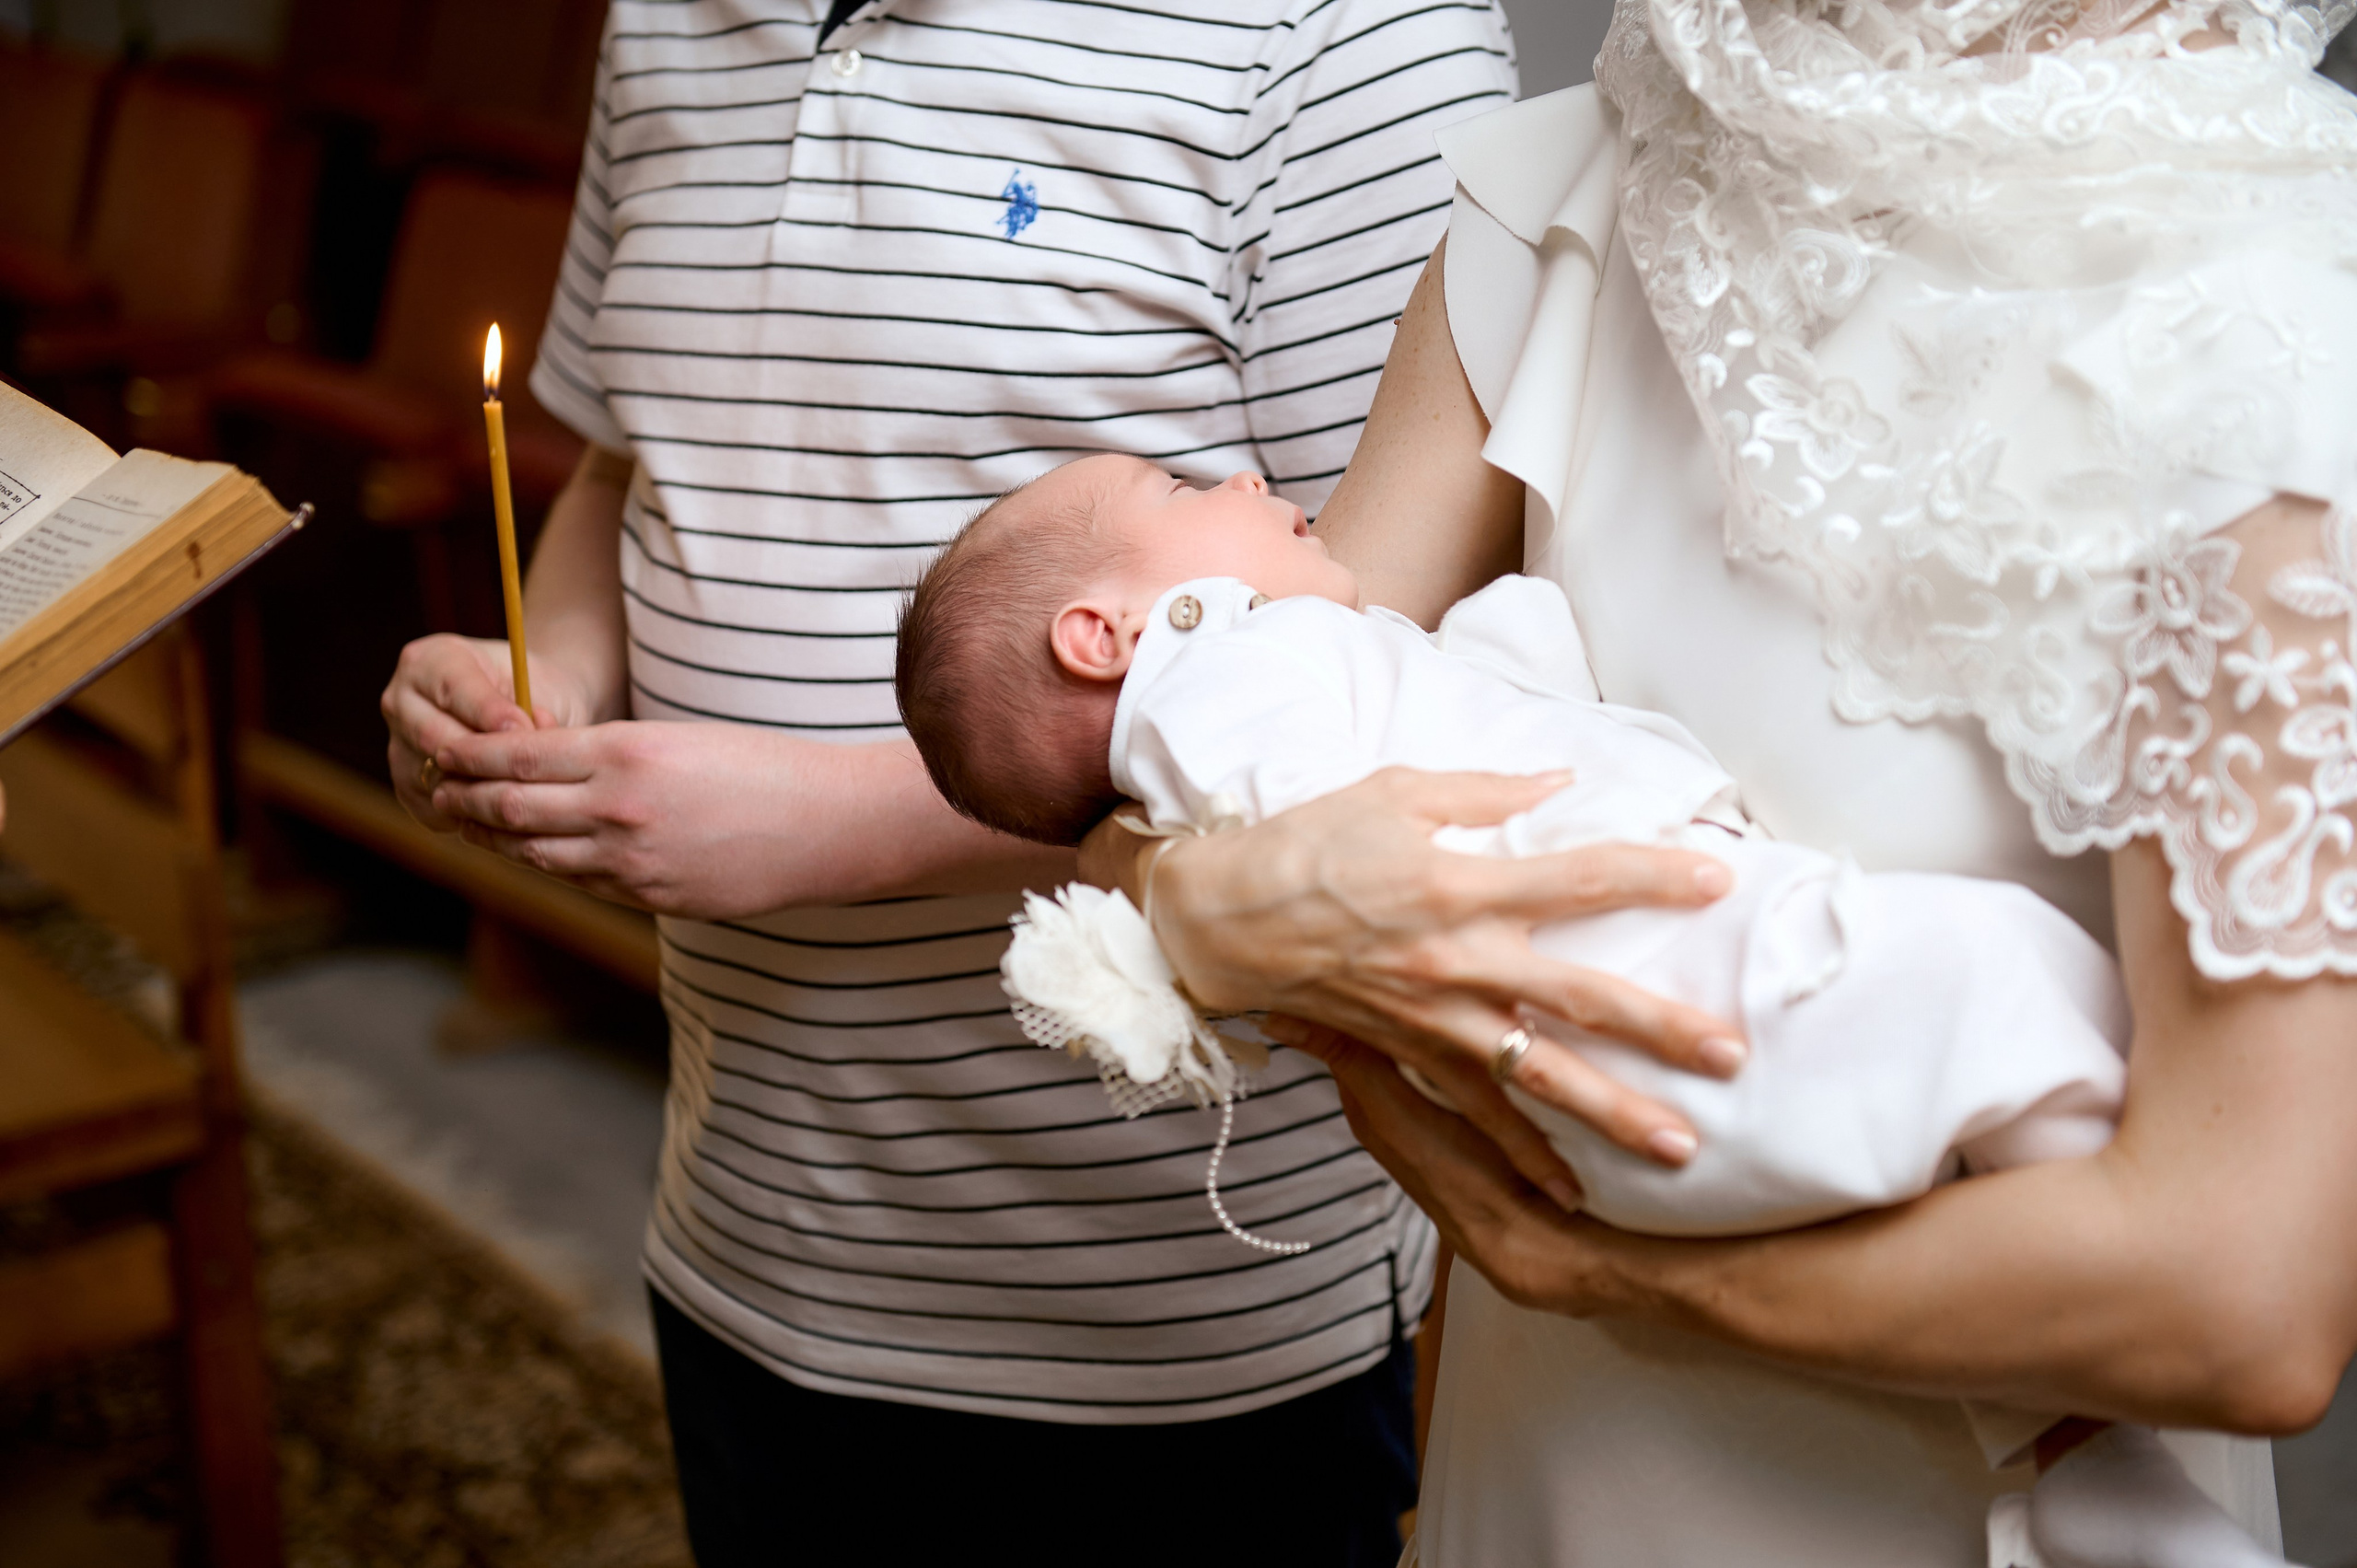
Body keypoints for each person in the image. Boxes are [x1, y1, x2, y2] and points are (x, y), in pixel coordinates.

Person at [1074, 2, 2357, 1564]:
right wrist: (1203, 906)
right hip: (1529, 1466)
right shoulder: (1588, 173)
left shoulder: (2278, 323)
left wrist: (1605, 1277)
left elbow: (2247, 1304)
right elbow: (1193, 720)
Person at [377, 3, 1525, 1563]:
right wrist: (554, 681)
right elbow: (629, 457)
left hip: (1166, 1314)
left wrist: (829, 829)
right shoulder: (662, 22)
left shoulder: (1348, 37)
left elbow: (1392, 666)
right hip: (745, 1226)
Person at [895, 450, 2292, 1564]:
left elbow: (1424, 731)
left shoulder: (1282, 679)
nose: (1246, 478)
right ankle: (2094, 1450)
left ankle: (2074, 1455)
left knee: (1948, 1133)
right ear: (1109, 633)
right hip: (1641, 995)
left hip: (1614, 1053)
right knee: (2002, 980)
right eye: (1181, 491)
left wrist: (1509, 648)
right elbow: (1318, 843)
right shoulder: (1224, 681)